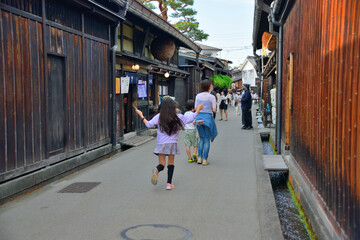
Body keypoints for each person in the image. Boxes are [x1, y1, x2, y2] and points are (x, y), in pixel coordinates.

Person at [134, 98, 203, 190]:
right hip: (172, 144)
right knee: (171, 163)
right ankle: (169, 184)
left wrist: (141, 115)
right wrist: (198, 109)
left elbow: (149, 125)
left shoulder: (159, 116)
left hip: (161, 144)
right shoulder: (178, 117)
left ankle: (157, 169)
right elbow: (191, 118)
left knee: (162, 164)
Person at [195, 79, 218, 166]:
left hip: (199, 118)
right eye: (211, 85)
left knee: (201, 138)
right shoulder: (211, 97)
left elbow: (196, 108)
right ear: (209, 86)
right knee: (206, 139)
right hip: (208, 118)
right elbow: (214, 110)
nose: (212, 86)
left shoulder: (197, 96)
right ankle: (205, 159)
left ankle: (199, 158)